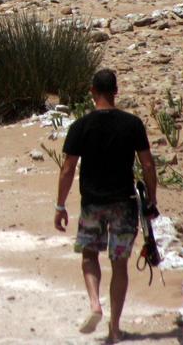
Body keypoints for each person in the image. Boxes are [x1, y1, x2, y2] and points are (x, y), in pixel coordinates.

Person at [54, 69, 158, 343]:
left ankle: (94, 305)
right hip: (124, 203)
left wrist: (60, 205)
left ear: (92, 92)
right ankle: (114, 328)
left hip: (93, 203)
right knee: (120, 265)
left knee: (89, 255)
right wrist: (152, 200)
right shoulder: (132, 124)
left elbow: (67, 169)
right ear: (116, 91)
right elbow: (148, 164)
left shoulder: (81, 126)